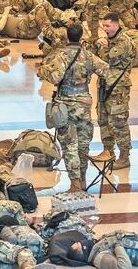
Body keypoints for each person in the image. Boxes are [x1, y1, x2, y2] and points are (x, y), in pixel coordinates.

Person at [38, 23, 109, 191]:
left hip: (66, 104)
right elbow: (105, 70)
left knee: (70, 145)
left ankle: (75, 183)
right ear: (81, 36)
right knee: (83, 144)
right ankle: (83, 179)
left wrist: (43, 71)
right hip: (84, 102)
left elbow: (55, 77)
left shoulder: (62, 55)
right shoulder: (88, 55)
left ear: (67, 37)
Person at [89, 13, 135, 169]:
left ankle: (124, 156)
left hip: (117, 88)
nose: (105, 28)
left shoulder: (124, 42)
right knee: (103, 119)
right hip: (103, 84)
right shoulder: (106, 41)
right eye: (104, 25)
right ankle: (108, 150)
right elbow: (92, 57)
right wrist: (99, 44)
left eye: (108, 26)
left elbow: (108, 60)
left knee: (118, 122)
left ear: (116, 25)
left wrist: (103, 45)